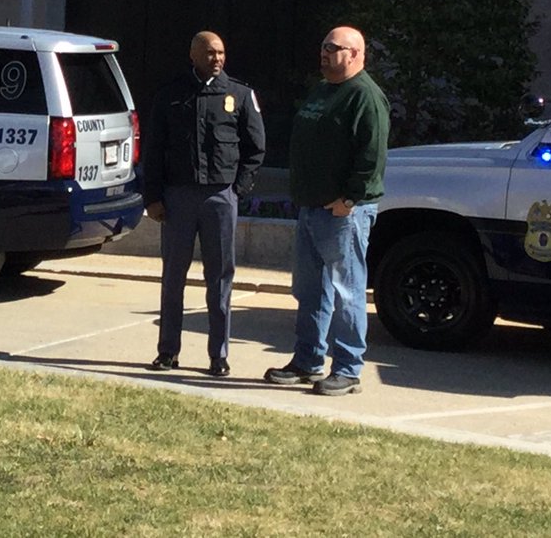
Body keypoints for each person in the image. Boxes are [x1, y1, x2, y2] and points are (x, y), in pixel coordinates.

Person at [264, 26, 389, 397]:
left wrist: (349, 200)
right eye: (322, 46)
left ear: (354, 54)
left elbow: (371, 156)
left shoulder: (365, 96)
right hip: (310, 209)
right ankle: (307, 360)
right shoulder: (323, 91)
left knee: (347, 292)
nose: (324, 52)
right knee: (310, 290)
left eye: (333, 48)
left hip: (343, 214)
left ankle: (348, 369)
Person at [143, 31, 265, 378]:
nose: (217, 59)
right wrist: (153, 197)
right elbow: (154, 150)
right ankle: (168, 351)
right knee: (173, 277)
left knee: (220, 279)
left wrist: (237, 190)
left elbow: (256, 148)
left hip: (220, 198)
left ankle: (218, 356)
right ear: (193, 54)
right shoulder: (171, 94)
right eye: (210, 53)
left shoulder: (239, 94)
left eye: (221, 53)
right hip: (178, 198)